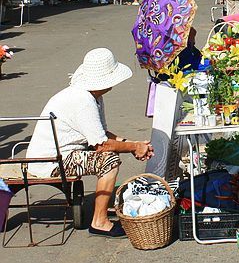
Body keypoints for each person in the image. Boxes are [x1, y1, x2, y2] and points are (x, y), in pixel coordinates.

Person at [26, 48, 154, 237]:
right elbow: (102, 145)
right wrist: (135, 147)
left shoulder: (91, 96)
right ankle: (99, 221)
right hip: (51, 161)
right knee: (108, 161)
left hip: (61, 154)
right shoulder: (83, 99)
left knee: (110, 154)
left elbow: (100, 133)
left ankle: (100, 216)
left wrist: (132, 143)